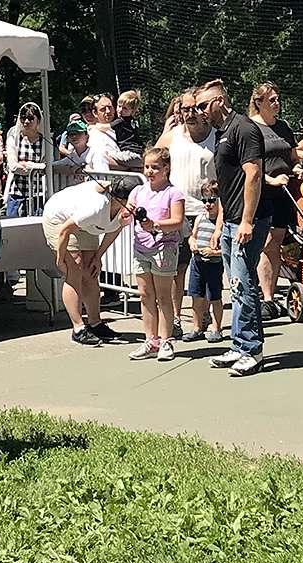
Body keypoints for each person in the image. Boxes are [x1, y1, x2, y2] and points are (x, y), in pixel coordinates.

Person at [195, 79, 270, 376]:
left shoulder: (244, 128)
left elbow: (253, 175)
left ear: (218, 102)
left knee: (244, 283)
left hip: (248, 221)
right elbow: (227, 184)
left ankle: (253, 350)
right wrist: (220, 224)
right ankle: (239, 346)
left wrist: (247, 221)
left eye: (202, 106)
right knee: (236, 287)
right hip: (230, 222)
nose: (199, 112)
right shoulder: (221, 134)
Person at [42, 176, 142, 346]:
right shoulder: (95, 207)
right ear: (122, 199)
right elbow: (65, 230)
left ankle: (95, 324)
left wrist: (98, 256)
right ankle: (78, 328)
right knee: (76, 268)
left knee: (90, 271)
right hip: (60, 219)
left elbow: (114, 229)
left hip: (85, 225)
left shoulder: (126, 209)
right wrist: (60, 259)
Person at [157, 88, 217, 339]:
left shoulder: (216, 136)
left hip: (206, 211)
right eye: (185, 109)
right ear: (179, 111)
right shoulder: (173, 136)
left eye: (195, 108)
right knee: (177, 269)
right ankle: (176, 320)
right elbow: (154, 158)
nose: (190, 113)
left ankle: (207, 320)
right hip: (178, 212)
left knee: (207, 267)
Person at [249, 82, 303, 321]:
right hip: (263, 192)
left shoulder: (283, 127)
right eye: (271, 99)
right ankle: (267, 298)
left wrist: (298, 167)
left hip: (285, 193)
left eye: (277, 99)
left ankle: (270, 296)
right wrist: (270, 180)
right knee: (266, 243)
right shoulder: (251, 128)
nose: (276, 103)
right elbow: (251, 165)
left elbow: (293, 156)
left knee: (277, 243)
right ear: (258, 102)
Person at [126, 148, 186, 361]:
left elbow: (178, 222)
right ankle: (150, 340)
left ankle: (166, 340)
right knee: (145, 295)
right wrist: (126, 212)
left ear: (166, 169)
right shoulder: (138, 192)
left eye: (155, 167)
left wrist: (156, 225)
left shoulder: (173, 193)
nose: (150, 171)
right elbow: (126, 216)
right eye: (147, 167)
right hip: (141, 248)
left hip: (164, 248)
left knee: (163, 296)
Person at [184, 180, 225, 343]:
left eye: (211, 200)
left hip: (214, 264)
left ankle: (216, 328)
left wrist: (214, 252)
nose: (207, 204)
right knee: (196, 296)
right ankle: (197, 328)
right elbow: (192, 236)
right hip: (197, 262)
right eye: (204, 200)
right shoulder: (200, 217)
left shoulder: (222, 224)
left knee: (215, 297)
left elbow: (226, 250)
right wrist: (192, 243)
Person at [4, 103, 45, 217]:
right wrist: (37, 167)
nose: (26, 121)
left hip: (39, 193)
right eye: (23, 117)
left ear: (38, 120)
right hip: (16, 193)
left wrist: (26, 164)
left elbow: (46, 168)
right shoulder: (14, 139)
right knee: (13, 230)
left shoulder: (45, 142)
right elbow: (13, 167)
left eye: (31, 118)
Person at [108, 90, 145, 169]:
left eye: (125, 108)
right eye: (119, 106)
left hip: (129, 154)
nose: (120, 110)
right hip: (140, 154)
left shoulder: (121, 121)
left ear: (132, 111)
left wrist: (93, 127)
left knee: (104, 155)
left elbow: (106, 127)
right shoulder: (134, 121)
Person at [87, 93, 119, 172]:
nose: (108, 111)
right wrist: (128, 167)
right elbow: (101, 159)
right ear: (95, 113)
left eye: (110, 107)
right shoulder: (94, 134)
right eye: (103, 109)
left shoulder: (123, 130)